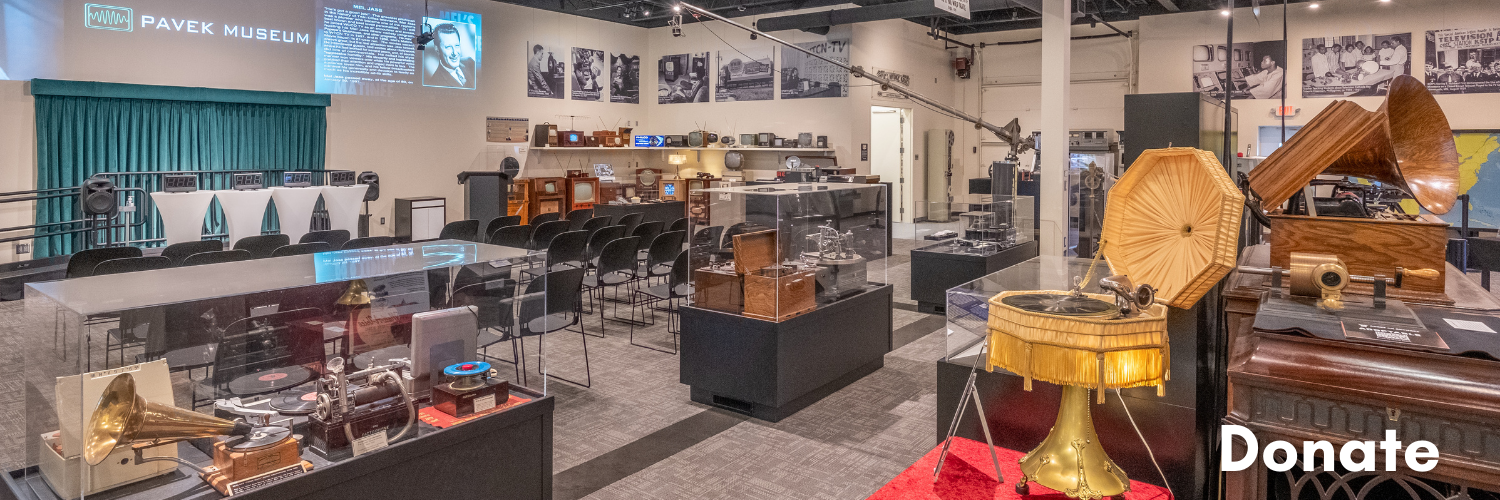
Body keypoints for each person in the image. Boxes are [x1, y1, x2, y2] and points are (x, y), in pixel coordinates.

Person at [425, 23, 475, 89]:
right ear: (437, 49)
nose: (454, 53)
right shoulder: (435, 83)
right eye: (448, 47)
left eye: (457, 46)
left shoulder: (470, 62)